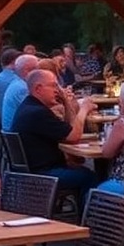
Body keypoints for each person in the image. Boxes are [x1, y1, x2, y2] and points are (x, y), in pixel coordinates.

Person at [12, 68, 96, 204]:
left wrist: (66, 102)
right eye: (53, 85)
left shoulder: (29, 106)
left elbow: (68, 130)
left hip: (30, 172)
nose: (58, 90)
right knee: (88, 176)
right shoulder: (37, 113)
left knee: (79, 167)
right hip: (43, 175)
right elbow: (74, 136)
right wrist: (84, 110)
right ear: (38, 88)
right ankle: (89, 220)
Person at [0, 53, 41, 130]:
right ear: (27, 70)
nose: (40, 73)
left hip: (15, 131)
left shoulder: (17, 83)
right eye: (38, 69)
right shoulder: (23, 88)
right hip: (18, 134)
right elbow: (36, 113)